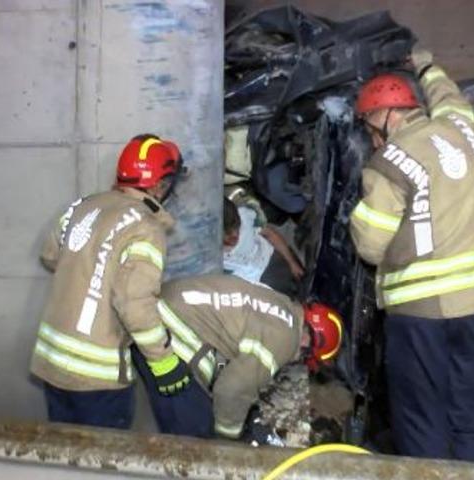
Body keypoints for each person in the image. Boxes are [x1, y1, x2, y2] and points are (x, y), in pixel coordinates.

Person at [348, 51, 474, 462]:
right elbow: (451, 97)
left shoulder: (388, 163)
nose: (370, 137)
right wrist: (427, 66)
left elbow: (370, 245)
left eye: (368, 125)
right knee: (467, 411)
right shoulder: (460, 128)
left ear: (385, 116)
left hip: (421, 314)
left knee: (421, 418)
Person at [29, 134, 184, 429]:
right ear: (159, 184)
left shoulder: (83, 207)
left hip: (53, 362)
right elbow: (135, 305)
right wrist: (163, 362)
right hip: (97, 378)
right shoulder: (145, 228)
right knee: (100, 467)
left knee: (63, 460)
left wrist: (89, 268)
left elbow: (51, 256)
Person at [134, 273, 342, 442]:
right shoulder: (284, 340)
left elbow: (232, 339)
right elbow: (230, 390)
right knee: (196, 429)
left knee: (214, 380)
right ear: (308, 343)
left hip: (165, 301)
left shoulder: (282, 304)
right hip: (164, 327)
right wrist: (229, 436)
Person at [222, 198, 304, 297]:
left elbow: (271, 235)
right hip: (255, 289)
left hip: (273, 260)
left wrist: (292, 263)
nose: (236, 235)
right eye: (229, 234)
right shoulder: (210, 257)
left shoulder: (245, 216)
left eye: (237, 227)